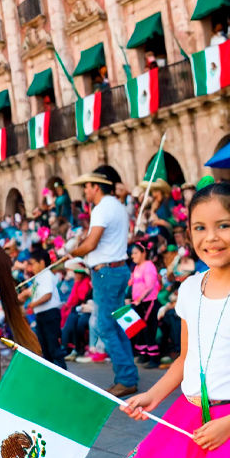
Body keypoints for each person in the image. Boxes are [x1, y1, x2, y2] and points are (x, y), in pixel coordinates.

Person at [115, 181, 230, 458]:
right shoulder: (189, 289)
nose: (211, 238)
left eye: (223, 226)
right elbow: (185, 359)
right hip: (187, 415)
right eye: (200, 228)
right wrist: (154, 395)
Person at [70, 167, 139, 397]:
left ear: (96, 186)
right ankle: (127, 376)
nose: (85, 191)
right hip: (117, 270)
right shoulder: (117, 206)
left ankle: (126, 378)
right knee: (117, 325)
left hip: (106, 274)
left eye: (87, 186)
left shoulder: (101, 208)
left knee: (105, 327)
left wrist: (73, 252)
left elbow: (91, 244)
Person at [20, 248, 66, 369]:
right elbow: (35, 292)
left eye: (33, 263)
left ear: (41, 262)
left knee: (53, 348)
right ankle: (51, 373)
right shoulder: (39, 277)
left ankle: (62, 373)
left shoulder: (46, 275)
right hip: (41, 315)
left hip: (49, 315)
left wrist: (32, 305)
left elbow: (47, 295)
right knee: (45, 348)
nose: (31, 267)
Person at [130, 242, 161, 368]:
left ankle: (154, 358)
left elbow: (150, 285)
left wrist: (139, 299)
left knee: (149, 330)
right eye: (132, 253)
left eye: (135, 253)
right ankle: (144, 355)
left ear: (144, 253)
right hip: (139, 303)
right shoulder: (137, 268)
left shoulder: (149, 266)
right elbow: (131, 282)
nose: (133, 256)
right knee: (141, 330)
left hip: (148, 302)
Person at [61, 258, 93, 361]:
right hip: (77, 308)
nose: (74, 276)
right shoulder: (77, 283)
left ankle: (72, 348)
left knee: (73, 321)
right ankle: (68, 347)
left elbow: (80, 299)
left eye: (76, 274)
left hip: (84, 308)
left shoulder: (86, 283)